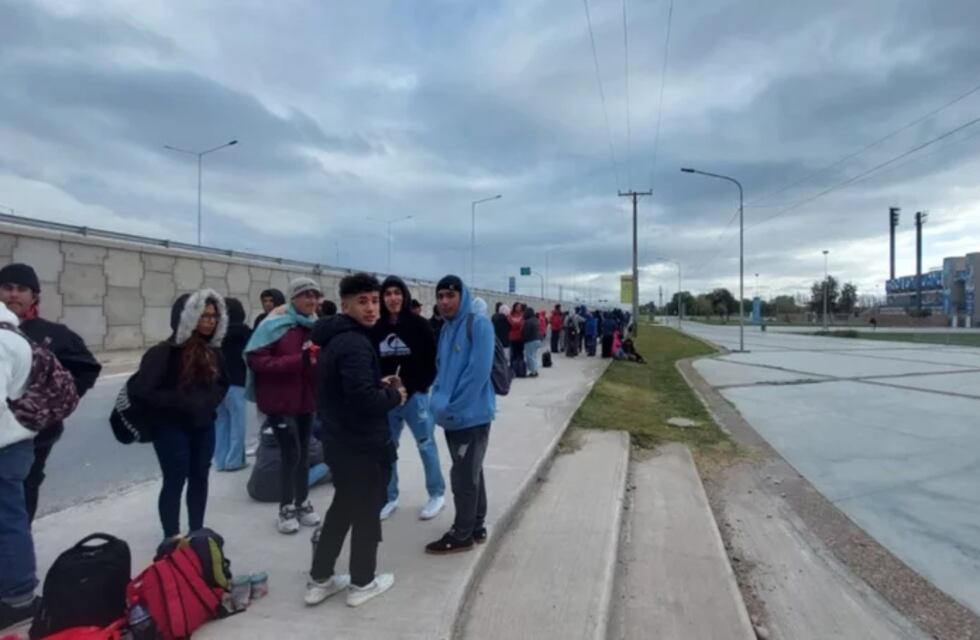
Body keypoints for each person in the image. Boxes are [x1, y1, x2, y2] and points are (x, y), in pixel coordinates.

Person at [306, 273, 406, 608]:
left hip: (339, 441)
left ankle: (320, 578)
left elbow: (347, 390)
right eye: (362, 301)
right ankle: (362, 582)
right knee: (366, 513)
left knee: (341, 509)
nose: (371, 308)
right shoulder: (355, 343)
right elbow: (364, 401)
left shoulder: (338, 337)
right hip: (361, 445)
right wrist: (394, 394)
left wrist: (377, 383)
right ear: (346, 304)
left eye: (374, 300)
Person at [0, 263, 101, 521]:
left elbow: (87, 369)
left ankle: (18, 552)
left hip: (36, 434)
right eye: (7, 288)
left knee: (22, 495)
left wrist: (53, 403)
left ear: (34, 296)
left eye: (21, 289)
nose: (13, 295)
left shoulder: (54, 335)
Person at [130, 290, 229, 540]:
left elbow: (223, 383)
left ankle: (196, 532)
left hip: (204, 426)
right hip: (170, 428)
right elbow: (144, 392)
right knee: (175, 481)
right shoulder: (163, 352)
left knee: (200, 478)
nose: (209, 321)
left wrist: (209, 402)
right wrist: (184, 402)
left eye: (214, 316)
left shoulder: (214, 351)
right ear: (186, 317)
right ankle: (171, 538)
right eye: (203, 315)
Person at [246, 277, 323, 534]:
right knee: (291, 454)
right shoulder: (274, 326)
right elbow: (256, 360)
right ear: (293, 298)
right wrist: (297, 360)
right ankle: (285, 508)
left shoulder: (315, 327)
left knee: (303, 455)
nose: (311, 300)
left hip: (306, 401)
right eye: (305, 295)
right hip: (280, 402)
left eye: (315, 295)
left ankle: (302, 503)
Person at [426, 275, 495, 554]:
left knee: (463, 477)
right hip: (450, 415)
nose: (444, 302)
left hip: (470, 415)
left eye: (450, 296)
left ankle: (462, 534)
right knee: (471, 470)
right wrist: (439, 403)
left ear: (462, 296)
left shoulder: (478, 324)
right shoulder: (447, 328)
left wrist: (453, 406)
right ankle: (476, 525)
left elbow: (478, 372)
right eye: (440, 296)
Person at [372, 276, 444, 521]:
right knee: (387, 448)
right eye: (388, 293)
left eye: (397, 292)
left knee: (426, 445)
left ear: (404, 295)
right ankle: (389, 496)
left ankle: (437, 494)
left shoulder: (419, 325)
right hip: (387, 399)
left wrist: (416, 387)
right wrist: (382, 385)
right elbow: (371, 362)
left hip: (415, 397)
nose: (393, 298)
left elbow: (431, 361)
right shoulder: (376, 327)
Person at [0, 302, 40, 630]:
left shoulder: (1, 341)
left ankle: (17, 597)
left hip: (5, 445)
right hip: (18, 441)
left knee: (9, 521)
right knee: (12, 518)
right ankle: (19, 592)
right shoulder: (15, 336)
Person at [214, 298, 251, 472]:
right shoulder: (244, 332)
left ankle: (220, 461)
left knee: (221, 422)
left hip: (217, 384)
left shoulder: (216, 332)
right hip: (236, 382)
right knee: (237, 424)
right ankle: (235, 461)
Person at [522, 306, 541, 378]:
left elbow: (526, 332)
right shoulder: (536, 320)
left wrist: (523, 338)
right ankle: (535, 370)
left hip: (530, 341)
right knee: (534, 356)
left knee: (530, 357)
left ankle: (533, 372)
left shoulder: (528, 321)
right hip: (537, 340)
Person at [508, 303, 525, 371]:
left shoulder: (522, 315)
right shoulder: (510, 315)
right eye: (517, 307)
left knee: (520, 353)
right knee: (513, 354)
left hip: (521, 337)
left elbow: (522, 324)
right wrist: (518, 324)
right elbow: (512, 323)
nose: (519, 308)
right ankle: (513, 368)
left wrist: (516, 324)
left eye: (520, 307)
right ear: (514, 307)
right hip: (512, 337)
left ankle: (520, 368)